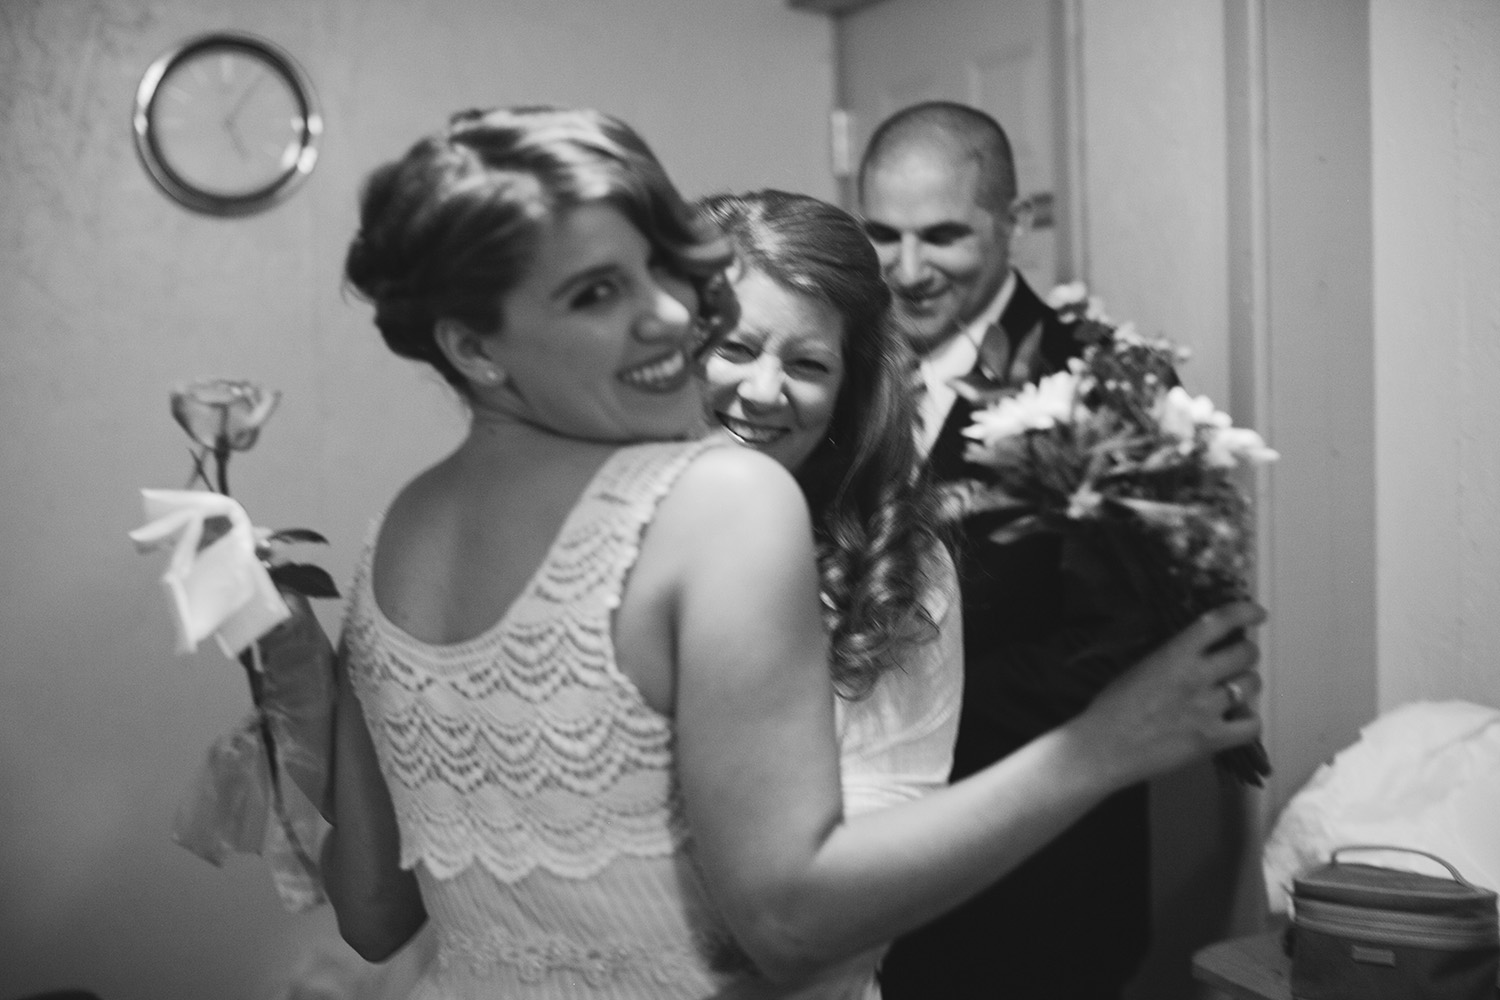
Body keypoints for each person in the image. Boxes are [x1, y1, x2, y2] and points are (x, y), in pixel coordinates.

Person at [320, 104, 1265, 1000]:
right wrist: (1104, 744)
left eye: (653, 279)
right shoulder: (729, 504)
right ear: (476, 348)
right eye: (600, 292)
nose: (663, 319)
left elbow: (371, 911)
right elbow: (785, 924)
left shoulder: (394, 531)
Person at [858, 101, 1163, 999]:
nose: (906, 270)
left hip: (1034, 887)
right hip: (865, 884)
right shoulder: (842, 364)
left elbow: (1124, 645)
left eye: (942, 235)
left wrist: (888, 708)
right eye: (882, 234)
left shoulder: (1101, 386)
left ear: (1014, 222)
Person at [696, 188, 963, 993]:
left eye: (808, 364)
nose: (764, 390)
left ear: (850, 389)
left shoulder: (900, 567)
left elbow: (872, 875)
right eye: (735, 348)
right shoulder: (578, 528)